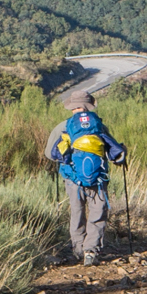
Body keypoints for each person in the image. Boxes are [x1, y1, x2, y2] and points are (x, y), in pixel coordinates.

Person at [46, 94, 126, 266]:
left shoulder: (63, 126)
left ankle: (77, 249)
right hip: (98, 178)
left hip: (72, 178)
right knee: (97, 213)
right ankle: (91, 251)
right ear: (88, 106)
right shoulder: (98, 125)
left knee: (77, 212)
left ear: (72, 107)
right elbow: (114, 153)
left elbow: (50, 154)